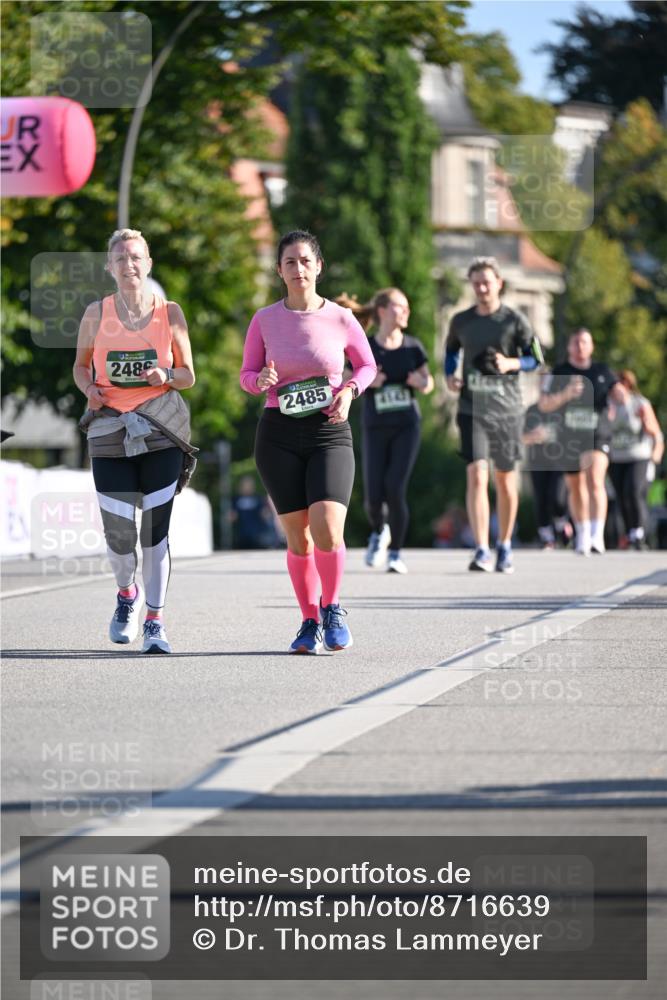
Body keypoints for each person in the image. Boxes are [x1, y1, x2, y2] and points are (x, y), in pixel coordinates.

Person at [239, 230, 376, 654]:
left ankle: (332, 607)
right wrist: (258, 381)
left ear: (319, 266)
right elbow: (247, 375)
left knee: (328, 529)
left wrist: (350, 391)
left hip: (329, 430)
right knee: (298, 538)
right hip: (278, 433)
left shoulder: (340, 318)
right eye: (290, 262)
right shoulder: (264, 319)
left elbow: (367, 365)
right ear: (279, 270)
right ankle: (308, 620)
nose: (298, 269)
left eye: (305, 261)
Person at [73, 228, 195, 653]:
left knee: (154, 533)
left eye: (136, 257)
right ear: (110, 267)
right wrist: (89, 388)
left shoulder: (171, 313)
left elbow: (188, 375)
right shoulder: (96, 314)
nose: (129, 264)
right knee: (120, 534)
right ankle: (127, 595)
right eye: (121, 258)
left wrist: (166, 376)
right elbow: (80, 368)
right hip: (109, 430)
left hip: (159, 430)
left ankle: (156, 621)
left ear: (148, 264)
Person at [444, 256, 542, 573]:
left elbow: (535, 359)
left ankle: (505, 544)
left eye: (487, 282)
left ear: (499, 283)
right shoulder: (461, 321)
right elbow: (451, 352)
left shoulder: (514, 320)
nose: (482, 288)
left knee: (505, 479)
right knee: (476, 474)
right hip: (472, 408)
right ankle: (482, 547)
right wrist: (450, 375)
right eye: (476, 283)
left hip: (508, 409)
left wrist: (511, 364)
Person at [337, 288, 433, 574]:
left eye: (407, 307)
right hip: (375, 426)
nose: (406, 312)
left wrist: (420, 382)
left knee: (394, 487)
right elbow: (342, 375)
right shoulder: (366, 347)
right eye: (400, 307)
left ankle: (395, 554)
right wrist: (365, 380)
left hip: (407, 426)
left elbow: (429, 382)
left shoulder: (413, 347)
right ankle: (379, 532)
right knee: (373, 496)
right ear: (382, 311)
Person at [538, 328, 622, 555]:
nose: (580, 346)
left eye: (585, 342)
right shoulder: (560, 372)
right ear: (569, 347)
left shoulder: (602, 371)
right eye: (576, 342)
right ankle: (583, 533)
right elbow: (544, 404)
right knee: (575, 487)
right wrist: (565, 394)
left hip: (597, 434)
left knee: (595, 479)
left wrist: (620, 395)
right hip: (570, 437)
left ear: (592, 346)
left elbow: (618, 392)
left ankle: (597, 534)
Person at [608, 369, 664, 550]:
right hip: (616, 457)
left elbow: (655, 432)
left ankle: (639, 532)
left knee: (632, 491)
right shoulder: (607, 404)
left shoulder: (639, 403)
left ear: (628, 386)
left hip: (638, 455)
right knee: (621, 496)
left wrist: (645, 422)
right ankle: (630, 533)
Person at [523, 393, 572, 550]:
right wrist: (533, 436)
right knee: (541, 499)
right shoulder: (532, 410)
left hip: (559, 460)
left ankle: (561, 522)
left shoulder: (563, 409)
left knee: (557, 496)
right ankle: (546, 537)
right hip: (537, 461)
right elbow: (522, 437)